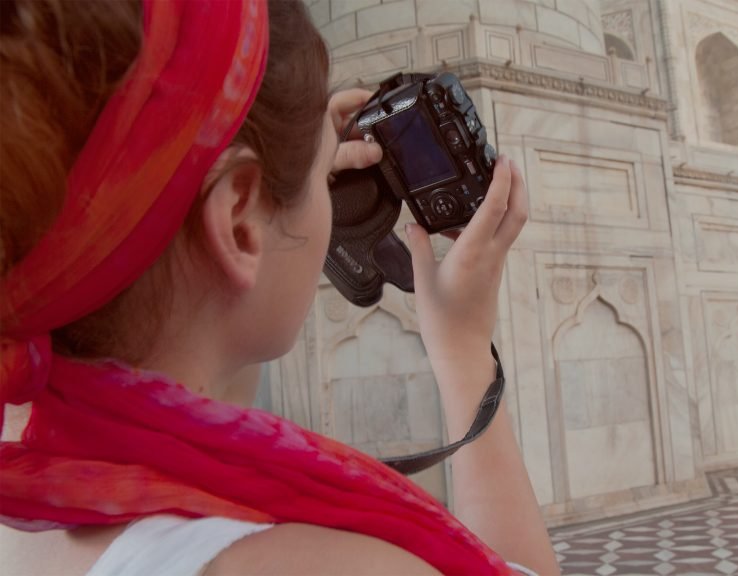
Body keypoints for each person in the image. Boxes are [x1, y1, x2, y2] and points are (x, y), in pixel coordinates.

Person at [0, 0, 559, 574]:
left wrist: (291, 172)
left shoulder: (30, 498)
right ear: (240, 218)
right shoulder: (310, 565)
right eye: (323, 176)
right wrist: (464, 356)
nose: (328, 203)